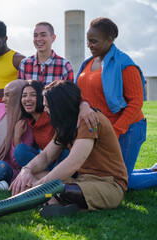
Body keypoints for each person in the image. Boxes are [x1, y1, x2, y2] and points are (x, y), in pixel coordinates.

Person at [0, 80, 128, 224]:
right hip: (82, 181)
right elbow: (45, 156)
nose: (45, 111)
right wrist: (26, 171)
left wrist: (39, 186)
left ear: (59, 106)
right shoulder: (67, 123)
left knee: (55, 186)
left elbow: (74, 162)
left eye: (47, 107)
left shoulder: (89, 120)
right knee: (40, 178)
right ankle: (58, 206)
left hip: (109, 185)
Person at [75, 17, 152, 189]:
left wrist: (116, 130)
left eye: (94, 41)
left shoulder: (124, 64)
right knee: (104, 175)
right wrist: (83, 105)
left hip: (127, 129)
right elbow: (79, 94)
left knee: (120, 181)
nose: (89, 45)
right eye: (88, 41)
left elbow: (136, 102)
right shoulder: (87, 63)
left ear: (109, 40)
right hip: (101, 130)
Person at [14, 80, 69, 170]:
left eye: (33, 95)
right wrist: (17, 137)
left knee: (67, 150)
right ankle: (49, 178)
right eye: (24, 96)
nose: (27, 99)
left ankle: (50, 178)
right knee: (20, 150)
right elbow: (6, 100)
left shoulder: (51, 113)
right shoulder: (30, 121)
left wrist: (84, 106)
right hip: (48, 165)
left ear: (41, 97)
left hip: (65, 162)